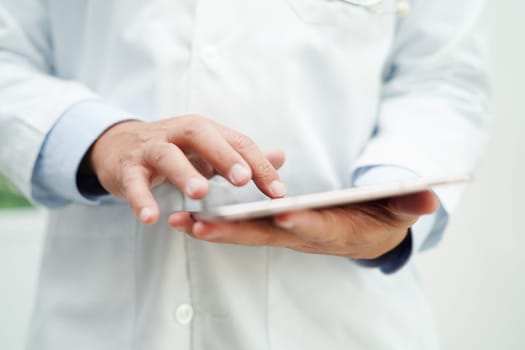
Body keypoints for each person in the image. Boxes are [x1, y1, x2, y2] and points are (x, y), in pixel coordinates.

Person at [0, 0, 488, 349]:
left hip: (340, 320)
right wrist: (101, 139)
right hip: (102, 321)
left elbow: (442, 77)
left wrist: (390, 195)